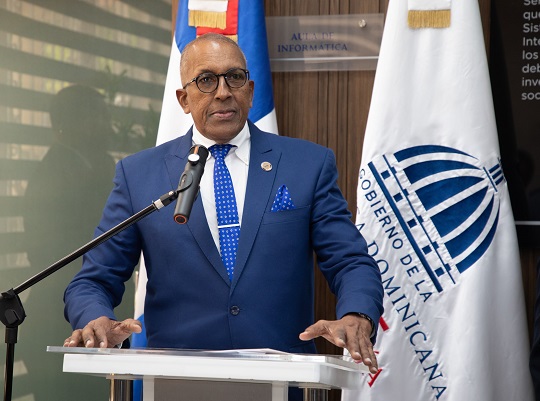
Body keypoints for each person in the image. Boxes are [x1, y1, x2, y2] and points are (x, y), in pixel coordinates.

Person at [63, 33, 384, 385]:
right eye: (206, 80)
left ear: (250, 90)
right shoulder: (140, 174)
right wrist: (95, 318)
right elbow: (94, 279)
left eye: (234, 77)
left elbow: (350, 260)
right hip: (177, 381)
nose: (223, 92)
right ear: (184, 100)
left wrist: (357, 314)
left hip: (283, 380)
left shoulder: (307, 164)